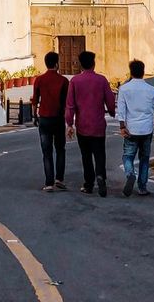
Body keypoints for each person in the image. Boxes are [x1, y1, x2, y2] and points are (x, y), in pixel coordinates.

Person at [116, 60, 154, 197]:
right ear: (143, 71)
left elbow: (121, 110)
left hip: (131, 129)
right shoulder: (152, 90)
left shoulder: (124, 89)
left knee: (128, 156)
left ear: (131, 72)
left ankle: (130, 173)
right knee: (144, 159)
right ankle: (142, 187)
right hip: (146, 129)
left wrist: (122, 126)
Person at [65, 50, 115, 197]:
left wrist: (69, 123)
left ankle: (88, 184)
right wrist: (111, 112)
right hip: (98, 125)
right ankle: (101, 176)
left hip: (82, 126)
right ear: (93, 64)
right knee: (100, 154)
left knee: (86, 156)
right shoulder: (102, 80)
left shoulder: (75, 81)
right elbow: (110, 100)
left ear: (81, 65)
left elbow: (70, 105)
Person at [31, 51, 69, 192]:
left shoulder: (39, 80)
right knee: (60, 149)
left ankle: (49, 182)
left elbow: (35, 100)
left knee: (47, 152)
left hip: (44, 119)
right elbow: (67, 103)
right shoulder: (64, 81)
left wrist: (35, 115)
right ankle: (59, 178)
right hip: (58, 118)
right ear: (57, 63)